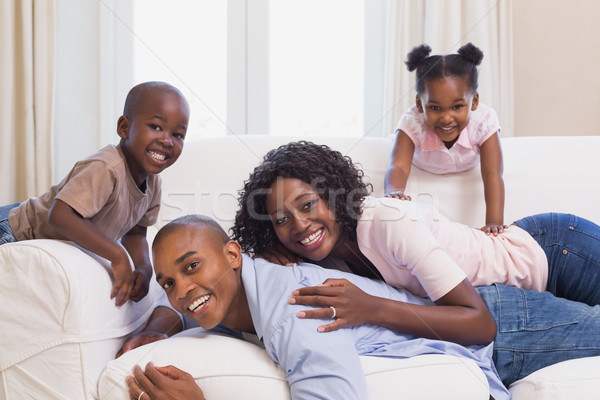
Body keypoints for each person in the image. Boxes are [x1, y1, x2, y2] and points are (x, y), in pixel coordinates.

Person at [231, 140, 600, 338]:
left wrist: (371, 307)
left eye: (308, 204)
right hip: (526, 288)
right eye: (281, 220)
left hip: (553, 252)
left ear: (334, 195)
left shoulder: (387, 222)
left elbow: (481, 323)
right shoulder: (313, 256)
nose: (299, 225)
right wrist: (266, 254)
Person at [123, 214, 510, 400]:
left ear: (232, 255)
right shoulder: (230, 303)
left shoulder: (297, 308)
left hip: (507, 325)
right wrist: (162, 324)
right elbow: (177, 301)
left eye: (192, 266)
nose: (183, 290)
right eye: (169, 283)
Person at [0, 81, 190, 306]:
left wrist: (143, 267)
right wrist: (117, 255)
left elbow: (136, 233)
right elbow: (60, 215)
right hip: (14, 229)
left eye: (178, 135)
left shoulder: (154, 183)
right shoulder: (107, 167)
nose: (166, 140)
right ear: (124, 128)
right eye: (156, 127)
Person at [384, 43, 505, 235]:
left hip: (467, 164)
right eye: (435, 108)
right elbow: (398, 166)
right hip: (422, 164)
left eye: (457, 107)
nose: (446, 118)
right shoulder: (412, 122)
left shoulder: (484, 121)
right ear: (419, 104)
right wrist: (394, 192)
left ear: (473, 102)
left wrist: (494, 222)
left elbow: (493, 174)